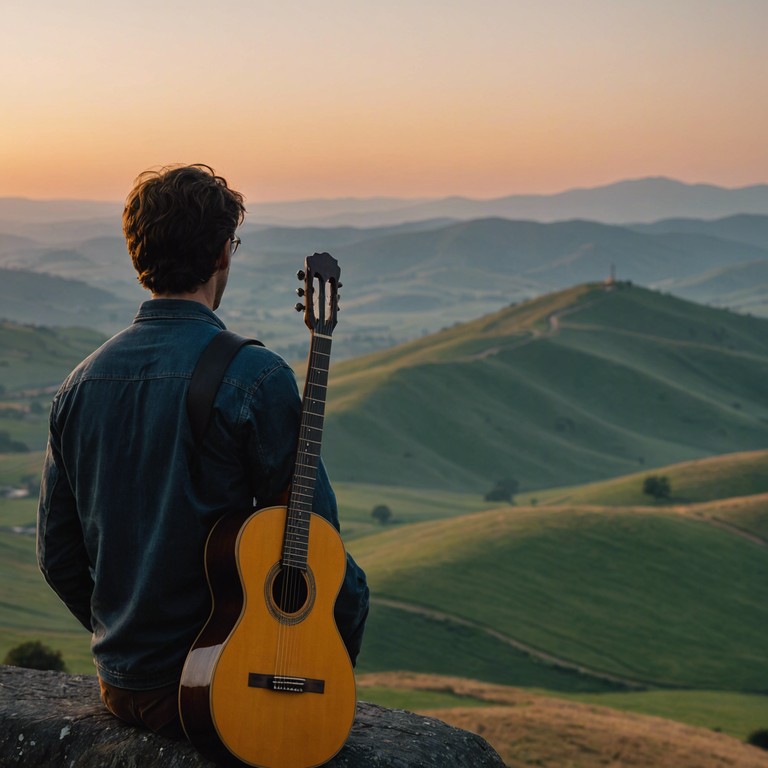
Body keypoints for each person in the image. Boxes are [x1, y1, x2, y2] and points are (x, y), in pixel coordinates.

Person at [36, 164, 369, 738]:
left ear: (138, 254)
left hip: (122, 688)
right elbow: (319, 545)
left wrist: (126, 639)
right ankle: (312, 711)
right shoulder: (254, 375)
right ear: (222, 254)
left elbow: (57, 556)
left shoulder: (79, 383)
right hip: (223, 691)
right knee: (352, 586)